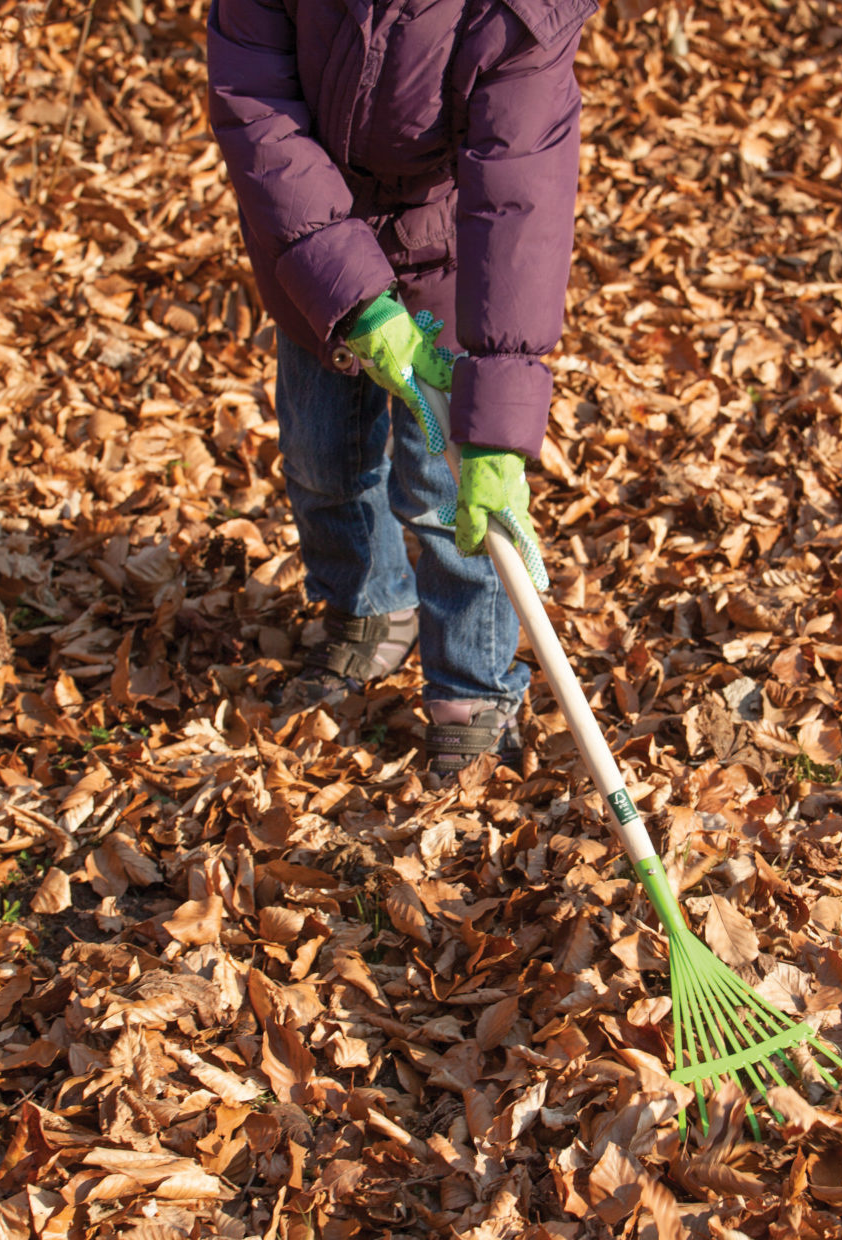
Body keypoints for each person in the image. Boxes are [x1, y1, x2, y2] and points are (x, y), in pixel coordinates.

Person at [206, 0, 594, 772]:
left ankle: (474, 688)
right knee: (322, 458)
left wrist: (497, 425)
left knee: (449, 493)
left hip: (448, 255)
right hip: (311, 247)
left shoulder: (517, 14)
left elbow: (521, 202)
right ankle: (370, 605)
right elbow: (258, 116)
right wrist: (348, 290)